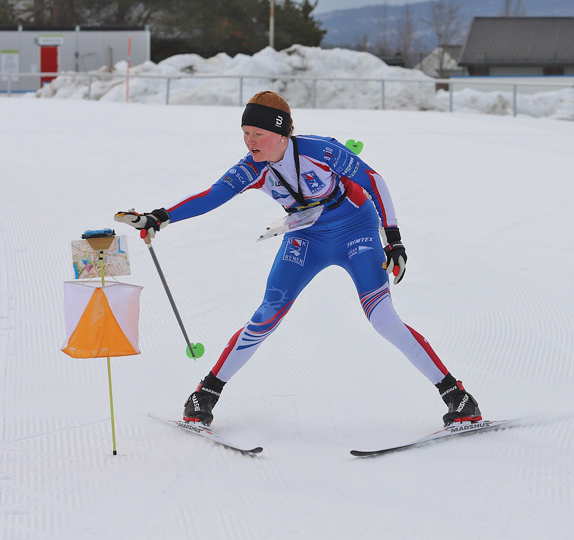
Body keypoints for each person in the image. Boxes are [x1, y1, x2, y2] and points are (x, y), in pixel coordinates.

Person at [117, 91, 481, 427]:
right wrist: (159, 217)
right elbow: (214, 195)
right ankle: (205, 394)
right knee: (266, 315)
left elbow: (375, 181)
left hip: (356, 226)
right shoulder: (252, 167)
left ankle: (457, 396)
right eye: (245, 132)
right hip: (306, 236)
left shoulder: (319, 151)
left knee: (382, 317)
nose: (250, 142)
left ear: (281, 133)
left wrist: (395, 240)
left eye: (258, 133)